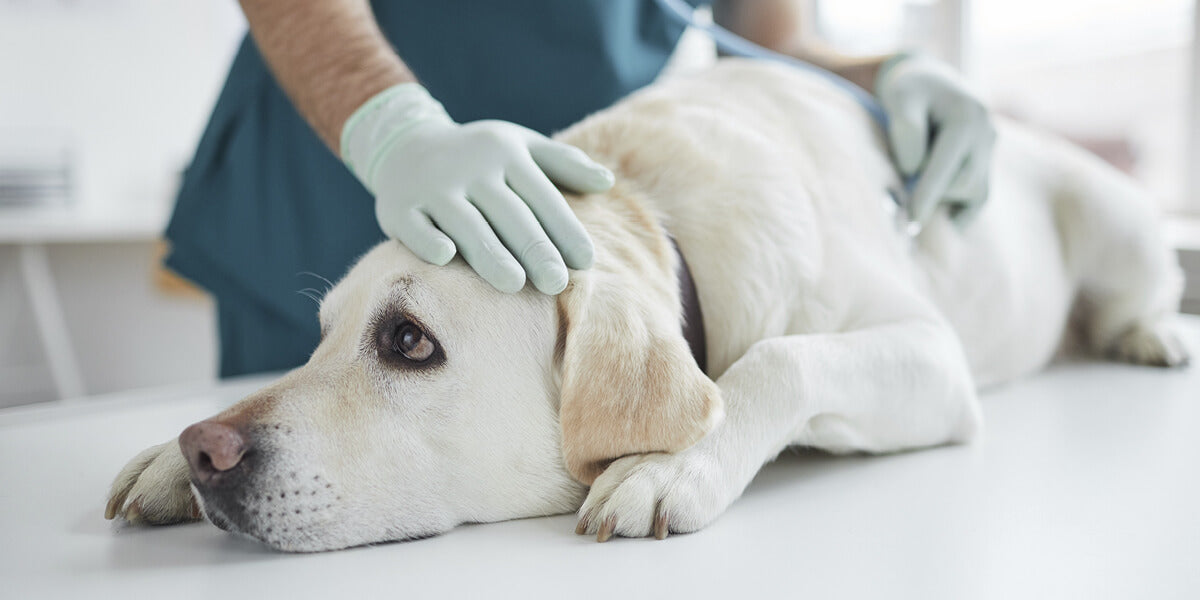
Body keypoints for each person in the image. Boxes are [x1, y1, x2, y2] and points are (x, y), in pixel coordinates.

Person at [165, 0, 995, 377]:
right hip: (326, 179)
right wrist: (395, 132)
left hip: (542, 244)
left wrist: (885, 77)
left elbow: (769, 41)